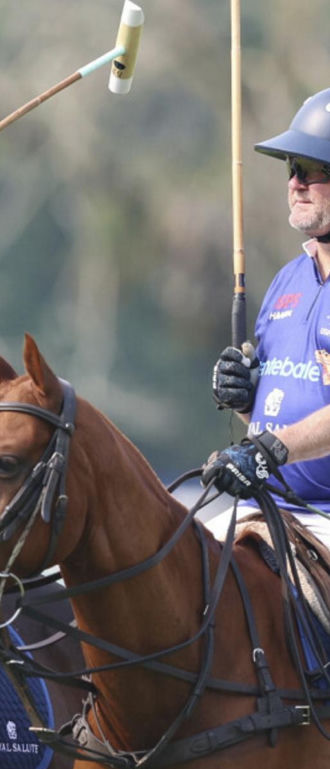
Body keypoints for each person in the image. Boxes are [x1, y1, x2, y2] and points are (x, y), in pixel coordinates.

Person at [203, 87, 330, 549]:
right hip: (267, 506)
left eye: (317, 170)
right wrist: (243, 398)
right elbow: (270, 414)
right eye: (293, 168)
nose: (296, 183)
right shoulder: (287, 281)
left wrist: (269, 451)